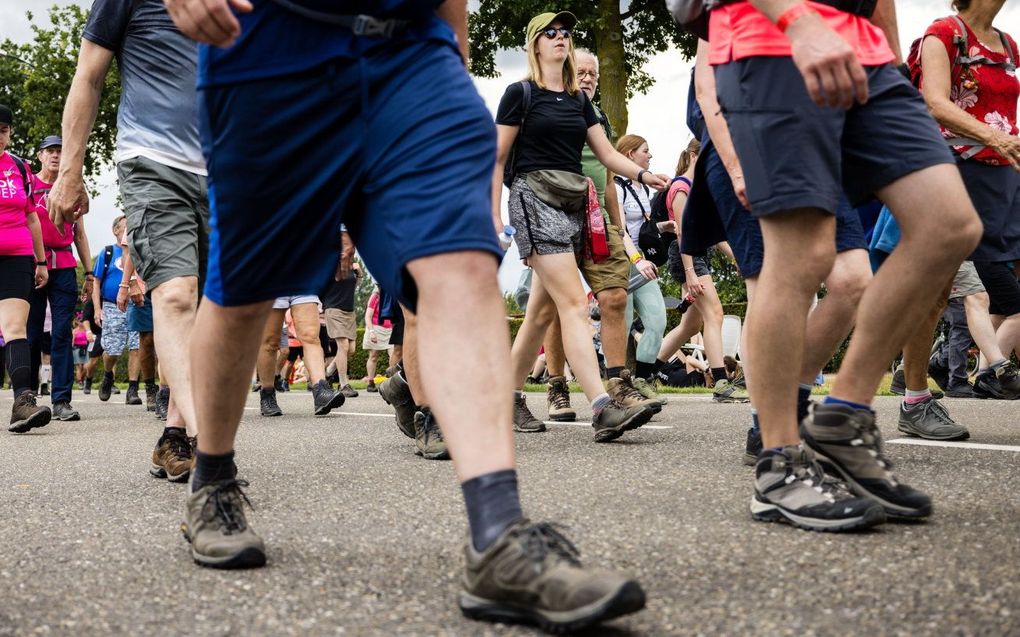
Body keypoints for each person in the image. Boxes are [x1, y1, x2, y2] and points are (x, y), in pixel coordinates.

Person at [167, 2, 647, 631]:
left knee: (464, 263)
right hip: (269, 42)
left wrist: (452, 49)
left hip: (414, 49)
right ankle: (213, 480)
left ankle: (499, 534)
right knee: (245, 291)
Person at [703, 0, 983, 531]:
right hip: (774, 41)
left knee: (949, 224)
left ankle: (843, 414)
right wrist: (796, 19)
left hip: (869, 56)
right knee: (800, 253)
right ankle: (778, 464)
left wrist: (896, 65)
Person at [50, 0, 208, 483]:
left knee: (209, 309)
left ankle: (174, 435)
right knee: (177, 292)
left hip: (228, 169)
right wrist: (70, 173)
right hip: (153, 162)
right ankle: (210, 449)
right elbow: (89, 76)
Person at [496, 13, 668, 443]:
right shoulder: (520, 94)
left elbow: (608, 154)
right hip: (534, 198)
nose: (561, 38)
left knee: (539, 313)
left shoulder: (578, 100)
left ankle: (507, 396)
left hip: (576, 203)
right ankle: (601, 406)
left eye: (566, 33)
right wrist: (495, 216)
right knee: (574, 303)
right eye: (551, 33)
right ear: (535, 44)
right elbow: (496, 159)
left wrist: (645, 176)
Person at [536, 48, 664, 431]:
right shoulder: (551, 108)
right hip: (554, 213)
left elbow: (607, 172)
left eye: (594, 73)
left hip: (598, 218)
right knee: (558, 307)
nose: (589, 77)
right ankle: (556, 385)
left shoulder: (600, 118)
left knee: (615, 296)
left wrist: (618, 227)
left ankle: (618, 384)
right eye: (583, 71)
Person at [917, 0, 1020, 398]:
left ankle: (978, 367)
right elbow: (935, 102)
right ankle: (915, 389)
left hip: (1003, 177)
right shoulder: (944, 33)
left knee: (978, 291)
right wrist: (994, 137)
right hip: (956, 170)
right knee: (937, 288)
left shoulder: (1009, 46)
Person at [652, 139, 747, 404]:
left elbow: (711, 235)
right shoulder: (681, 187)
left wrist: (735, 258)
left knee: (689, 325)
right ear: (694, 155)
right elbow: (683, 234)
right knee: (714, 314)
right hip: (688, 257)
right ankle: (721, 383)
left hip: (698, 257)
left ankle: (646, 373)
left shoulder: (699, 189)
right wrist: (690, 272)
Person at [24, 135, 92, 422]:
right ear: (40, 156)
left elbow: (79, 233)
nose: (55, 155)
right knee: (32, 332)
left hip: (63, 264)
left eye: (60, 152)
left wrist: (89, 273)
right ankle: (25, 397)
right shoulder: (29, 184)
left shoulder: (71, 189)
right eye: (50, 151)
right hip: (31, 263)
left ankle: (61, 400)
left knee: (62, 332)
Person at [0, 104, 52, 433]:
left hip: (17, 255)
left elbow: (32, 216)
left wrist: (42, 259)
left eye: (4, 130)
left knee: (15, 328)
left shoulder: (19, 167)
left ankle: (23, 402)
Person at [612, 135, 670, 395]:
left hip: (642, 263)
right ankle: (618, 386)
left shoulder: (642, 188)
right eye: (646, 151)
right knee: (621, 327)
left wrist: (661, 226)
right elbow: (621, 230)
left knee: (657, 321)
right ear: (630, 154)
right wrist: (637, 259)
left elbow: (640, 228)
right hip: (623, 262)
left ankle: (642, 380)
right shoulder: (615, 186)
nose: (650, 156)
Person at [256, 296, 343, 417]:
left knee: (311, 336)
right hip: (271, 281)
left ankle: (320, 390)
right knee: (270, 342)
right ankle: (267, 393)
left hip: (302, 280)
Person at [91, 216, 142, 404]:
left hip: (136, 304)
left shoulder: (139, 250)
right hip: (112, 306)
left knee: (137, 346)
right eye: (125, 226)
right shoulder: (108, 253)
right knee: (112, 350)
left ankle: (133, 389)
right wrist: (97, 309)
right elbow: (96, 283)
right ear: (116, 230)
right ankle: (107, 375)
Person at [322, 259, 360, 397]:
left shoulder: (351, 266)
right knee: (343, 346)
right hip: (333, 308)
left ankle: (328, 372)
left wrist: (359, 274)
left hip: (349, 311)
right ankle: (344, 384)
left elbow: (352, 287)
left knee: (351, 349)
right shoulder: (328, 264)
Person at [362, 287, 391, 392]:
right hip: (375, 328)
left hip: (390, 329)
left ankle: (392, 383)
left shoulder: (393, 296)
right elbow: (367, 316)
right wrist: (371, 332)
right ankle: (370, 382)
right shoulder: (375, 296)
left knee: (393, 356)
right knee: (373, 356)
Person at [72, 318, 89, 387]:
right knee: (79, 366)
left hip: (85, 349)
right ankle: (80, 382)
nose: (81, 322)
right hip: (76, 349)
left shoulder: (86, 330)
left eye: (82, 321)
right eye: (80, 321)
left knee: (85, 367)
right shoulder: (74, 331)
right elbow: (72, 342)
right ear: (77, 321)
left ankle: (83, 379)